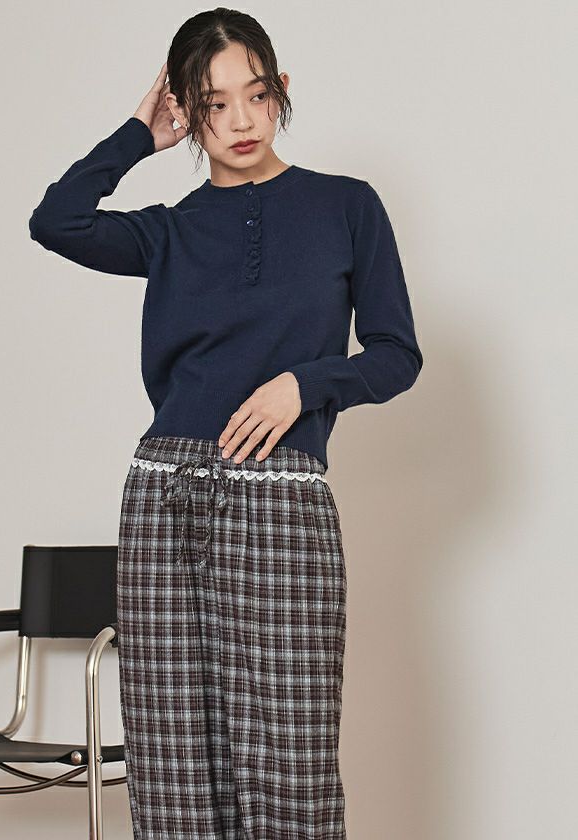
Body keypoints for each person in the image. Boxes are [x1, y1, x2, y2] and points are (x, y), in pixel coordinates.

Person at [29, 9, 423, 839]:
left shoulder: (346, 207)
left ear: (282, 90)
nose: (240, 120)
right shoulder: (170, 230)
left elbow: (397, 355)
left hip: (283, 499)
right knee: (173, 763)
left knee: (290, 761)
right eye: (213, 104)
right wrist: (138, 136)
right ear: (187, 109)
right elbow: (55, 221)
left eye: (256, 93)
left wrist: (305, 387)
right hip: (165, 500)